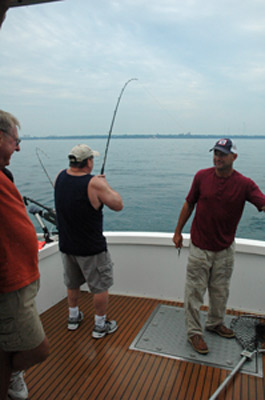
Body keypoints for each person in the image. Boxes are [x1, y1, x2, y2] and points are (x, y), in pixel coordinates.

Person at [173, 138, 265, 355]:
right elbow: (189, 203)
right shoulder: (201, 176)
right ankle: (194, 332)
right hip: (199, 247)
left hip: (225, 250)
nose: (217, 157)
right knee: (194, 292)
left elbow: (262, 202)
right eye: (215, 153)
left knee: (220, 291)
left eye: (223, 154)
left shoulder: (244, 184)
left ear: (234, 157)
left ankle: (215, 323)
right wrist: (177, 232)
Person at [0, 110, 50, 400]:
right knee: (38, 348)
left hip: (20, 281)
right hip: (10, 286)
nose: (18, 148)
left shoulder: (4, 174)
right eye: (15, 141)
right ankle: (13, 377)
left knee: (6, 350)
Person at [54, 144, 123, 338]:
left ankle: (73, 317)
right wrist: (104, 184)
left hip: (67, 246)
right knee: (100, 286)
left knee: (72, 283)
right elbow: (118, 205)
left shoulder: (59, 176)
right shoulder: (94, 183)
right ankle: (100, 326)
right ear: (88, 162)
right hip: (91, 249)